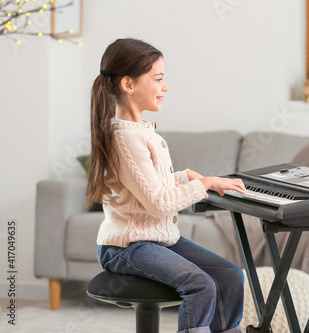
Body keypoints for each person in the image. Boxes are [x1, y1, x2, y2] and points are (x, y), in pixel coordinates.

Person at [86, 38, 246, 333]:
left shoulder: (141, 131)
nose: (165, 87)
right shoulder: (126, 138)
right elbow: (158, 202)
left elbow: (147, 186)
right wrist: (206, 183)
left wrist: (188, 176)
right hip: (126, 245)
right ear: (128, 85)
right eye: (158, 79)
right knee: (200, 285)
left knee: (231, 276)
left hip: (157, 238)